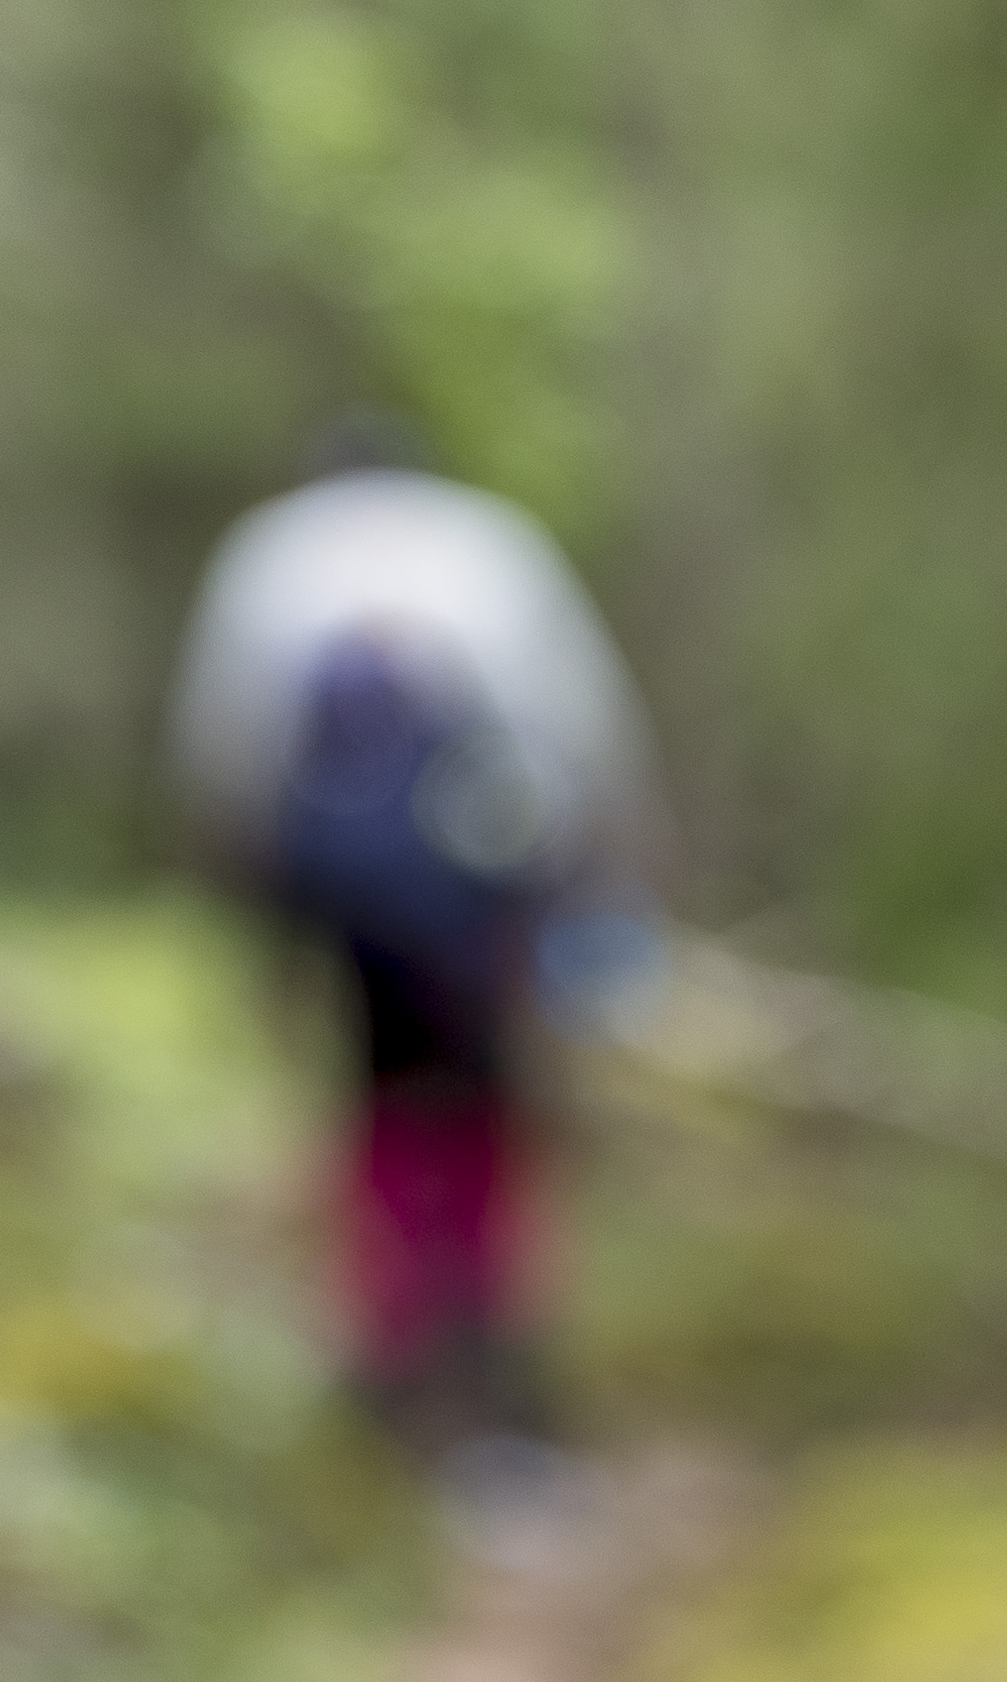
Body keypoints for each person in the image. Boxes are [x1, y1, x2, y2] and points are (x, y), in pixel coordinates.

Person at [169, 441, 655, 1451]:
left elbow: (222, 745)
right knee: (489, 1105)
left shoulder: (270, 554)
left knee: (377, 1103)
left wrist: (255, 899)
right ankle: (496, 1340)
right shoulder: (488, 541)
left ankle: (387, 1341)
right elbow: (576, 720)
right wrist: (594, 867)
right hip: (478, 888)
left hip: (345, 898)